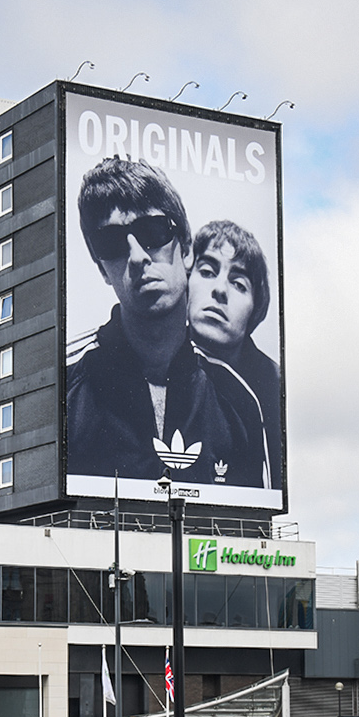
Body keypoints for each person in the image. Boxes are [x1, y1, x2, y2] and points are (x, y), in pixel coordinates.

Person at [66, 158, 266, 488]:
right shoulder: (64, 384)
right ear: (102, 269)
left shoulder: (237, 399)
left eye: (152, 232)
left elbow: (254, 516)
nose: (137, 257)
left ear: (186, 249)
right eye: (111, 241)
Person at [184, 219, 281, 482]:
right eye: (207, 272)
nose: (219, 290)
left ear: (255, 309)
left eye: (239, 284)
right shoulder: (151, 359)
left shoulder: (274, 386)